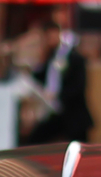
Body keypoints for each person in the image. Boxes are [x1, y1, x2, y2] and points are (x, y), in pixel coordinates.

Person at [22, 16, 92, 145]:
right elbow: (42, 77)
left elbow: (78, 86)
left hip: (72, 114)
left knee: (79, 147)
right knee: (35, 140)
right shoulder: (50, 57)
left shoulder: (73, 58)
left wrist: (58, 95)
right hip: (55, 111)